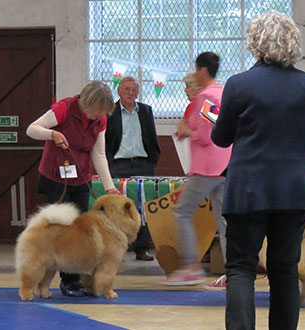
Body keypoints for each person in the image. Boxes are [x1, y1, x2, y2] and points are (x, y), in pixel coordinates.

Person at [211, 10, 305, 330]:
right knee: (284, 270)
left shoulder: (238, 85)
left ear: (255, 43)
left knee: (241, 269)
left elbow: (221, 138)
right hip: (294, 191)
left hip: (248, 191)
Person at [26, 81, 121, 297]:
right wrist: (52, 135)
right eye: (97, 111)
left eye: (102, 113)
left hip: (81, 178)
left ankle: (72, 280)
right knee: (60, 232)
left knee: (79, 233)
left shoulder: (100, 120)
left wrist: (110, 187)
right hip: (55, 178)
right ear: (86, 103)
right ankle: (53, 280)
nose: (99, 116)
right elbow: (32, 129)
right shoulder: (64, 108)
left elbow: (98, 154)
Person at [160, 52, 231, 291]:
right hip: (223, 167)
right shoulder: (221, 94)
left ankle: (190, 267)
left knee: (181, 212)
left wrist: (188, 131)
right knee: (224, 220)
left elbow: (210, 134)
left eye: (195, 71)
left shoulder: (206, 97)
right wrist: (189, 129)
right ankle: (233, 272)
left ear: (202, 71)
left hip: (207, 167)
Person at [105, 76, 161, 261]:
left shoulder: (145, 111)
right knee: (117, 210)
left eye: (134, 90)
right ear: (119, 91)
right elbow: (105, 141)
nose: (130, 93)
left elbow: (152, 137)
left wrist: (152, 160)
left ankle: (141, 248)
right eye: (127, 89)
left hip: (143, 164)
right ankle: (116, 248)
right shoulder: (110, 112)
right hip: (119, 165)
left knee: (142, 208)